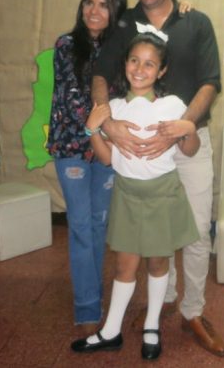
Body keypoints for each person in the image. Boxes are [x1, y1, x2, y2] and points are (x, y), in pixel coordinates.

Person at [92, 0, 224, 357]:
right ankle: (162, 301)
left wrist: (182, 125)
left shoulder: (195, 22)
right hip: (139, 149)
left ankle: (193, 311)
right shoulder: (123, 25)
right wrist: (107, 122)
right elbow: (100, 75)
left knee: (196, 231)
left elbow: (210, 81)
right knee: (154, 237)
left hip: (187, 140)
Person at [72, 32, 200, 361]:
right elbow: (106, 158)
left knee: (158, 263)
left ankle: (152, 326)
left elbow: (190, 149)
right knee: (124, 266)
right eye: (134, 61)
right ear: (125, 64)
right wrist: (92, 129)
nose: (139, 69)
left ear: (162, 70)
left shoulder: (173, 105)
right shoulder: (112, 108)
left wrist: (189, 129)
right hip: (127, 194)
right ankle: (111, 331)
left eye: (149, 64)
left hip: (163, 194)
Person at [46, 0, 127, 334]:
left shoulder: (122, 49)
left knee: (98, 224)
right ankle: (87, 305)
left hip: (108, 150)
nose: (94, 11)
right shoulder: (66, 45)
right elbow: (73, 99)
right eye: (89, 2)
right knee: (80, 226)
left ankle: (94, 293)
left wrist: (111, 134)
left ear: (115, 11)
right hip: (73, 148)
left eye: (104, 5)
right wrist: (104, 128)